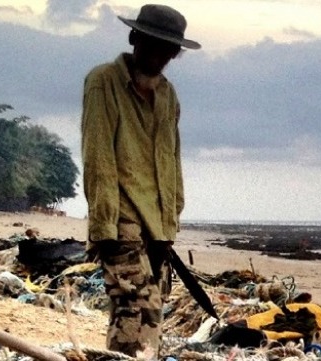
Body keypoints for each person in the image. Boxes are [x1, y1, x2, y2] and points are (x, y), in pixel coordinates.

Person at [81, 4, 200, 357]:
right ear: (135, 38)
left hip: (158, 226)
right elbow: (98, 156)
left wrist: (169, 226)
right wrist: (104, 229)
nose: (160, 55)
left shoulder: (168, 95)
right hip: (121, 219)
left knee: (151, 313)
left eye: (168, 49)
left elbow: (170, 162)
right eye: (153, 44)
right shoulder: (104, 81)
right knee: (136, 308)